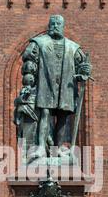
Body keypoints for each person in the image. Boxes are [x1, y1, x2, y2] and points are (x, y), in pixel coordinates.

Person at [17, 14, 91, 159]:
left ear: (63, 27)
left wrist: (85, 71)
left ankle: (57, 149)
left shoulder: (73, 47)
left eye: (58, 24)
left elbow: (82, 65)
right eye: (52, 24)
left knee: (63, 117)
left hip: (66, 87)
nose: (54, 26)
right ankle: (40, 147)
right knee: (45, 113)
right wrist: (27, 84)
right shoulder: (39, 43)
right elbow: (30, 65)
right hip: (46, 84)